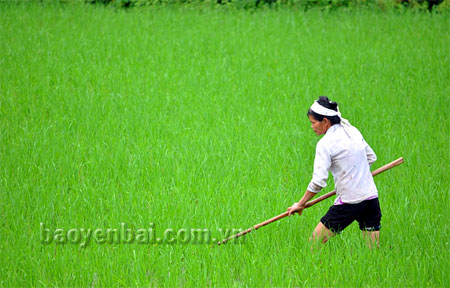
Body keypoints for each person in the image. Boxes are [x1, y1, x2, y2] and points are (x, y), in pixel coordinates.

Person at [287, 96, 381, 248]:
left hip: (349, 203)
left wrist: (300, 203)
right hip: (371, 198)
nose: (311, 127)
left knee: (313, 245)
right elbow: (371, 157)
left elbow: (318, 182)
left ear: (325, 121)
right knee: (372, 252)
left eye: (313, 123)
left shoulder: (325, 144)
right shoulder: (353, 131)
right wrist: (357, 176)